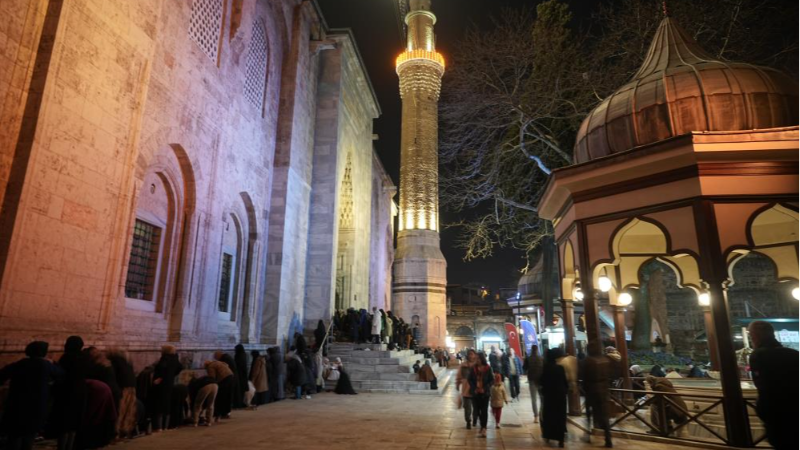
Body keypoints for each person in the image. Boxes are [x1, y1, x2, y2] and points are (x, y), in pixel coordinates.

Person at [0, 341, 63, 450]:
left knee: (14, 436)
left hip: (17, 405)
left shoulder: (20, 364)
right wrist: (53, 362)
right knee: (29, 437)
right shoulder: (45, 365)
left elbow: (2, 375)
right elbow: (61, 373)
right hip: (36, 407)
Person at [748, 320, 800, 449]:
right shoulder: (794, 354)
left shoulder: (758, 355)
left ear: (755, 336)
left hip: (775, 411)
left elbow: (761, 384)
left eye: (751, 335)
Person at [53, 336, 87, 450]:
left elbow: (60, 374)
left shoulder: (67, 357)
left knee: (64, 425)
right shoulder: (83, 357)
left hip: (66, 393)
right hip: (80, 392)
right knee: (73, 425)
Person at [581, 341, 613, 448]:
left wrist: (584, 388)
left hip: (592, 389)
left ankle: (588, 434)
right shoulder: (605, 360)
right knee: (604, 415)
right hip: (604, 389)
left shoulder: (588, 361)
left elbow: (584, 376)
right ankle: (608, 438)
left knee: (589, 413)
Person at [106, 348, 137, 439]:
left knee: (121, 410)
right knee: (129, 410)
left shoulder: (114, 362)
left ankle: (117, 432)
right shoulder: (126, 362)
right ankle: (126, 430)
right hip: (132, 387)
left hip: (123, 389)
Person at [150, 345, 182, 431]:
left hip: (161, 385)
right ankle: (165, 426)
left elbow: (161, 368)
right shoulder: (175, 358)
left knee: (158, 404)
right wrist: (172, 375)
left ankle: (158, 427)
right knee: (167, 404)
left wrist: (159, 378)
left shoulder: (165, 358)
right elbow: (180, 367)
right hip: (169, 383)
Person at [540, 348, 568, 447]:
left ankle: (549, 435)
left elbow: (542, 381)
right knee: (560, 417)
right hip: (560, 396)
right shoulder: (560, 368)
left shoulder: (546, 368)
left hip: (549, 396)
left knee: (550, 416)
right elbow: (564, 382)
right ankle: (561, 439)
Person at [468, 352, 494, 437]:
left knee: (484, 410)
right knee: (476, 411)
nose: (477, 360)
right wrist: (474, 388)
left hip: (485, 393)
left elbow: (491, 380)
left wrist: (485, 388)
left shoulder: (488, 368)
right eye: (476, 359)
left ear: (482, 359)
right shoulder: (473, 368)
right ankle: (482, 425)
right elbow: (470, 379)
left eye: (478, 358)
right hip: (475, 393)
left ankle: (483, 428)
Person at [455, 349, 477, 429]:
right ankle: (468, 421)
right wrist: (457, 384)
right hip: (466, 389)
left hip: (476, 390)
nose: (471, 356)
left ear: (475, 355)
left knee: (476, 407)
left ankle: (475, 418)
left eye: (472, 354)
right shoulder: (463, 365)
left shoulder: (478, 365)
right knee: (467, 407)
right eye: (470, 354)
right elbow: (459, 376)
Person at [524, 345, 544, 423]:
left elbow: (524, 368)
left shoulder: (528, 358)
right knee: (542, 398)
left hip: (532, 379)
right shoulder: (541, 358)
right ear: (537, 350)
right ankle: (541, 413)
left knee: (533, 399)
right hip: (540, 380)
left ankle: (536, 416)